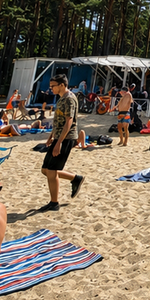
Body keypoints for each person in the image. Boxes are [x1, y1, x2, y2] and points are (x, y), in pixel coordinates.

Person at [39, 74, 84, 211]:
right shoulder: (61, 98)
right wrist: (51, 136)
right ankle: (75, 178)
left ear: (62, 85)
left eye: (53, 86)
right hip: (58, 137)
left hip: (66, 138)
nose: (51, 88)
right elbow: (59, 121)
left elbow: (69, 122)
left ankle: (54, 203)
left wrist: (59, 143)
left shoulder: (69, 99)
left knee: (52, 171)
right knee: (45, 170)